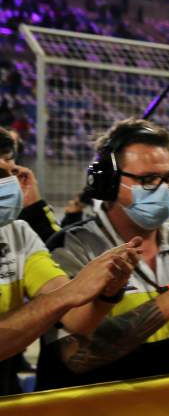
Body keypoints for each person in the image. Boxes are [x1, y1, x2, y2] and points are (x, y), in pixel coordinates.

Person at [37, 119, 169, 389]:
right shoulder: (71, 247)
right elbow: (73, 358)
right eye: (147, 179)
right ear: (108, 181)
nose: (163, 188)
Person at [1, 159, 141, 394]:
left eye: (12, 172)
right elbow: (66, 297)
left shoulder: (18, 233)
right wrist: (69, 293)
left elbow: (75, 318)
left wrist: (108, 293)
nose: (10, 182)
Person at [1, 127, 61, 243]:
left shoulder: (22, 220)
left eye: (7, 158)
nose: (5, 166)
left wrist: (34, 207)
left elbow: (58, 251)